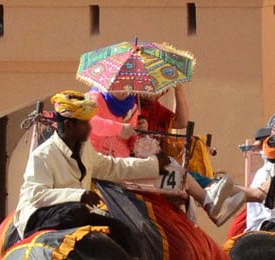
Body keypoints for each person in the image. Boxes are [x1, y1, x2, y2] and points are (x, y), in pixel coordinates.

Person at [14, 91, 166, 238]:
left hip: (75, 211)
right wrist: (79, 195)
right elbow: (37, 195)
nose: (89, 128)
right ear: (69, 125)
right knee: (77, 211)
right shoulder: (43, 155)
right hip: (40, 215)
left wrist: (151, 165)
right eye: (84, 123)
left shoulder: (85, 149)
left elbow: (111, 167)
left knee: (120, 229)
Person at [87, 85, 245, 225]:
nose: (123, 88)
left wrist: (141, 133)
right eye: (118, 82)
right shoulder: (93, 99)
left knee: (169, 164)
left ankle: (208, 202)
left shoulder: (132, 107)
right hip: (103, 163)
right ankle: (216, 199)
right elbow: (90, 122)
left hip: (126, 163)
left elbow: (132, 144)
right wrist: (119, 128)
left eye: (126, 83)